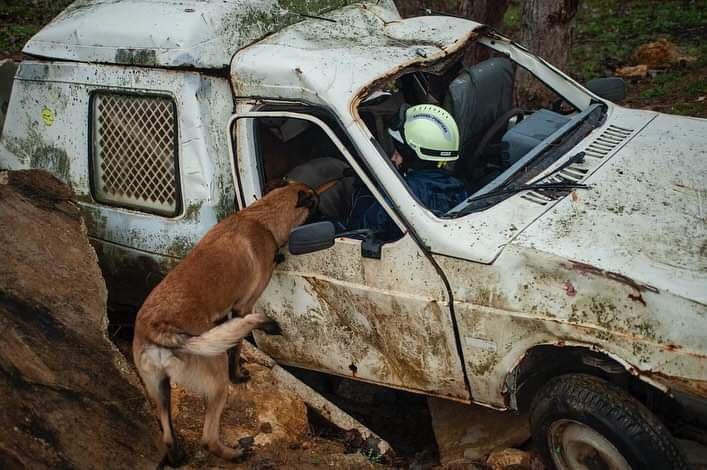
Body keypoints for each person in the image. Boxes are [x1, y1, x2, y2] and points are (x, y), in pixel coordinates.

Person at [348, 104, 469, 241]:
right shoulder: (460, 188)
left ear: (408, 153)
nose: (393, 156)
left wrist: (366, 189)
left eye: (397, 149)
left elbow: (356, 234)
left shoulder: (400, 197)